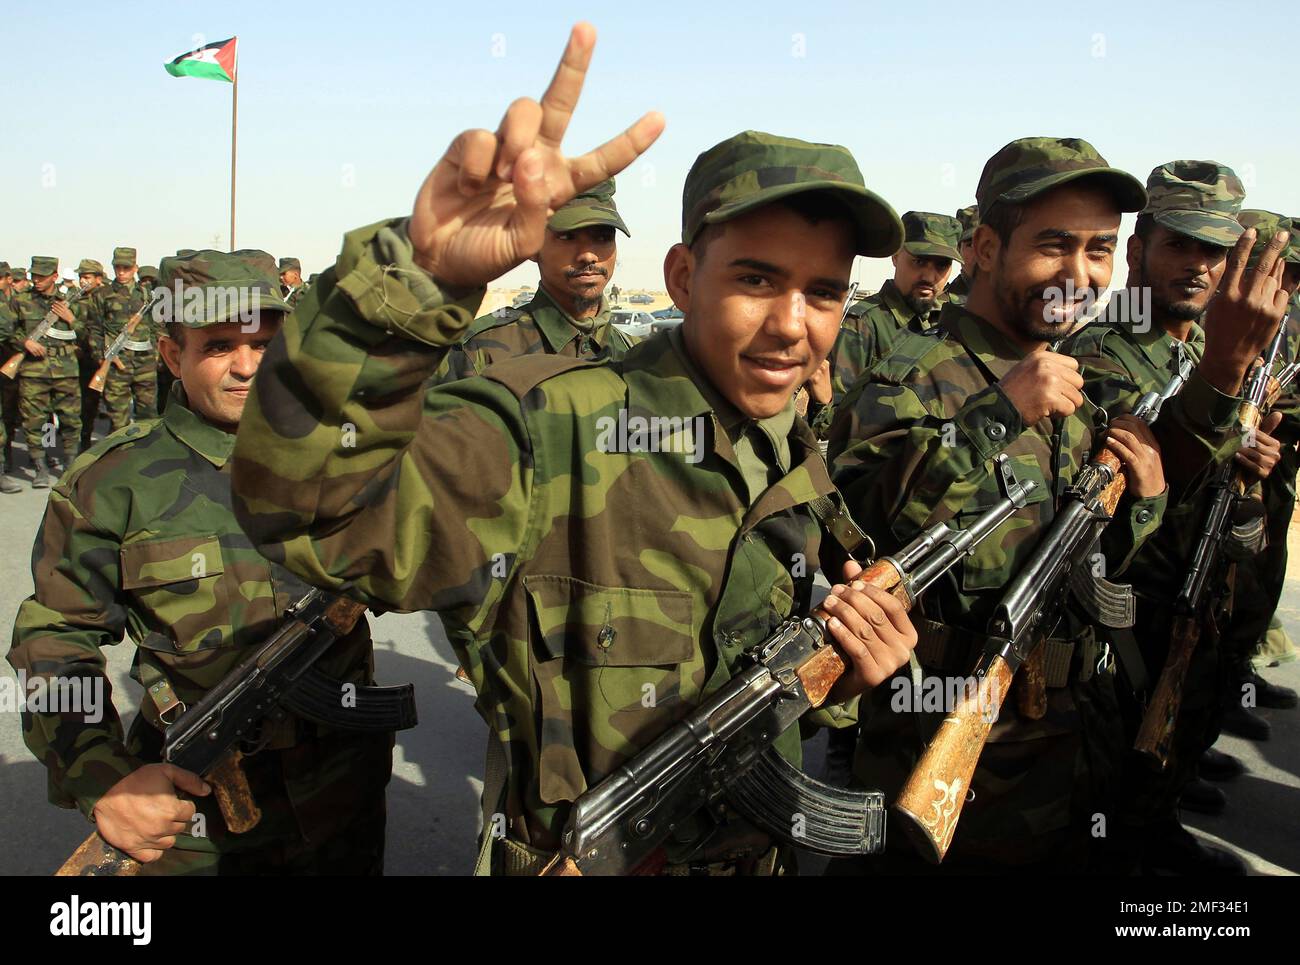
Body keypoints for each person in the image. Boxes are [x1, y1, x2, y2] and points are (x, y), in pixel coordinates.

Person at [230, 23, 917, 875]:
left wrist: (837, 679)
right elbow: (308, 505)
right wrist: (420, 279)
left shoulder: (790, 458)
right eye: (755, 279)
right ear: (679, 278)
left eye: (823, 292)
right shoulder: (553, 430)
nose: (792, 324)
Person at [828, 136, 1289, 873]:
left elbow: (1086, 567)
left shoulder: (1063, 381)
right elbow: (860, 530)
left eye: (1099, 249)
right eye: (1055, 245)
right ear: (982, 247)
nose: (1081, 273)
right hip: (951, 752)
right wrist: (996, 413)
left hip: (1068, 746)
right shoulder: (916, 376)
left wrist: (1142, 502)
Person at [7, 249, 396, 874]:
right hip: (198, 826)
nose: (247, 367)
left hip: (344, 798)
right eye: (218, 347)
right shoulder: (113, 484)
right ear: (171, 356)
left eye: (266, 344)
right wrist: (103, 779)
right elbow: (54, 641)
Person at [436, 178, 638, 383]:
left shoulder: (639, 358)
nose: (588, 255)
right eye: (567, 237)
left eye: (603, 237)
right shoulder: (479, 351)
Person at [12, 256, 85, 486]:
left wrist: (71, 319)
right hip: (34, 372)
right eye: (34, 275)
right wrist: (24, 342)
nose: (37, 280)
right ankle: (41, 465)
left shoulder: (71, 302)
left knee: (71, 419)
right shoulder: (20, 301)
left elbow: (91, 335)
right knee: (37, 421)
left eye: (42, 276)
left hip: (66, 371)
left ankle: (70, 464)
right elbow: (6, 331)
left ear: (54, 276)